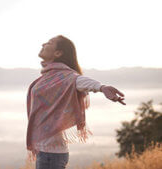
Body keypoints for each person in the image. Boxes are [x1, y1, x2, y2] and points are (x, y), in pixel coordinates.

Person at [26, 35, 126, 169]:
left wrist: (101, 87)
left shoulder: (64, 76)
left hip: (50, 154)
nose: (43, 44)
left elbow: (77, 80)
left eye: (49, 42)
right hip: (47, 151)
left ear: (58, 53)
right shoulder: (49, 76)